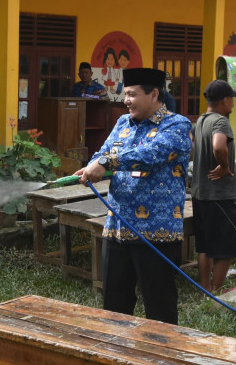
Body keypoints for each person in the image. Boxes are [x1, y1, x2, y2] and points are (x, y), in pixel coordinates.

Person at [77, 67, 192, 324]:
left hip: (155, 233)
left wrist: (106, 162)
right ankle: (118, 357)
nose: (126, 100)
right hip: (117, 229)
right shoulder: (122, 124)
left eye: (131, 94)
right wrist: (94, 165)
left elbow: (151, 154)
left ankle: (161, 358)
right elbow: (102, 152)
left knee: (159, 306)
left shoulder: (177, 126)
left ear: (153, 94)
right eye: (124, 94)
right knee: (114, 304)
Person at [191, 80, 236, 292]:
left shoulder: (201, 120)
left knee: (205, 246)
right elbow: (219, 145)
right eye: (232, 99)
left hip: (200, 193)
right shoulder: (221, 121)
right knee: (225, 248)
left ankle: (205, 290)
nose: (234, 103)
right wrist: (224, 165)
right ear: (225, 100)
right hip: (219, 195)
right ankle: (217, 291)